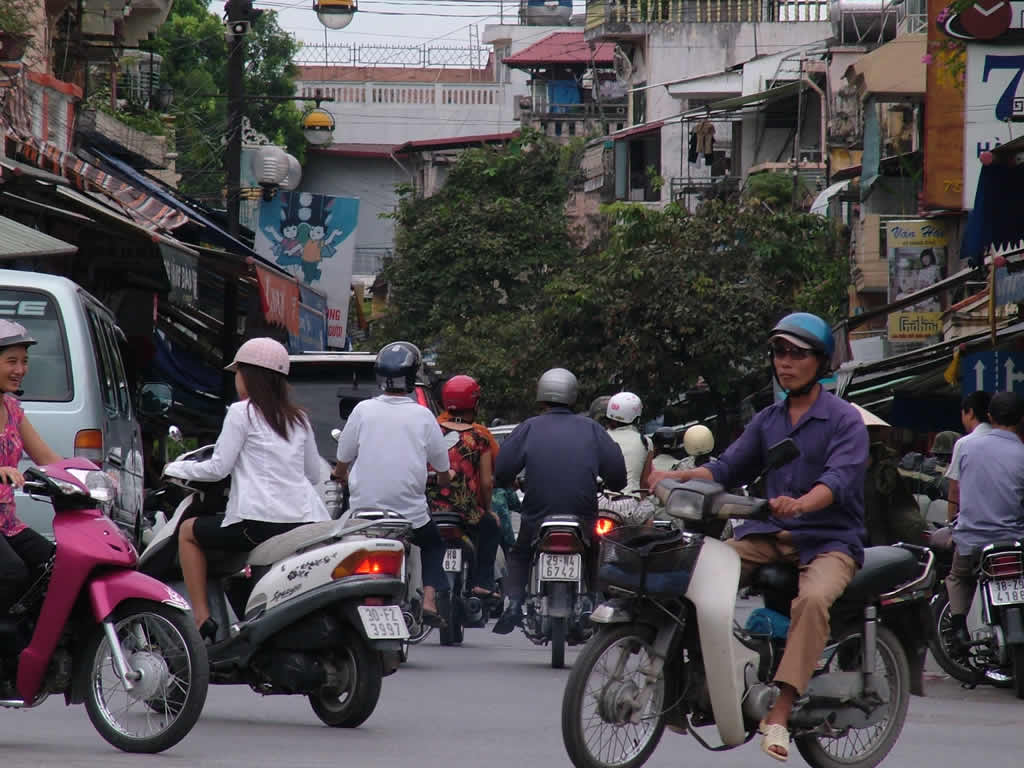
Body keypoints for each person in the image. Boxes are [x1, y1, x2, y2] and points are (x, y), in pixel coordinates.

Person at [649, 312, 868, 762]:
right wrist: (677, 477)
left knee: (811, 601)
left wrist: (803, 503)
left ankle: (781, 714)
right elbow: (728, 468)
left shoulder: (845, 421)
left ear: (821, 362)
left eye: (797, 354)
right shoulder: (768, 419)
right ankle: (685, 685)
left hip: (829, 539)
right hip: (769, 532)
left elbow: (839, 479)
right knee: (696, 570)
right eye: (779, 353)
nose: (785, 362)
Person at [164, 338, 330, 640]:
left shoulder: (242, 413)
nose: (236, 379)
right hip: (305, 522)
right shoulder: (299, 418)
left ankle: (202, 619)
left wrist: (175, 468)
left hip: (259, 522)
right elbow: (313, 473)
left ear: (250, 376)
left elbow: (217, 468)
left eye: (238, 372)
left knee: (188, 531)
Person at [492, 368, 627, 634]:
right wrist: (612, 485)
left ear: (542, 395)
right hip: (581, 512)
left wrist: (508, 480)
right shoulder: (592, 428)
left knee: (520, 553)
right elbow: (617, 474)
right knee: (594, 553)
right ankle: (594, 601)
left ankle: (515, 604)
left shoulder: (529, 427)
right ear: (573, 395)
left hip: (537, 513)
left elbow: (503, 469)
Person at [335, 341, 451, 626]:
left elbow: (343, 459)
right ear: (412, 377)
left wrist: (341, 475)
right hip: (409, 516)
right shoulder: (424, 416)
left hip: (364, 513)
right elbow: (442, 467)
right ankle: (429, 600)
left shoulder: (362, 410)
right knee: (434, 546)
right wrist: (444, 480)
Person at [945, 391, 1024, 650]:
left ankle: (957, 628)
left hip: (972, 541)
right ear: (1020, 419)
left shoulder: (966, 446)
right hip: (1014, 542)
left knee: (958, 578)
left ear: (989, 416)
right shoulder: (1021, 452)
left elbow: (955, 491)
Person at [0, 321, 60, 613]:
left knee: (55, 566)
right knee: (11, 572)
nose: (20, 370)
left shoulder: (12, 410)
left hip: (7, 524)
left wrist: (92, 478)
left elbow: (48, 459)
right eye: (11, 361)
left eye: (24, 362)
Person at [428, 374, 504, 601]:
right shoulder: (479, 437)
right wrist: (487, 509)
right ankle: (482, 582)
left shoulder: (430, 430)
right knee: (491, 526)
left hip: (429, 509)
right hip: (465, 512)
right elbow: (486, 482)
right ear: (474, 403)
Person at [944, 391, 992, 524]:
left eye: (962, 414)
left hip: (972, 524)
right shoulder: (1009, 443)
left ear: (970, 413)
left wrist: (950, 524)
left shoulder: (964, 443)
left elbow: (954, 490)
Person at [605, 392, 653, 493]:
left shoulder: (599, 437)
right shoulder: (645, 442)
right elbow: (645, 482)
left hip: (600, 499)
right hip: (629, 500)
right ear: (636, 417)